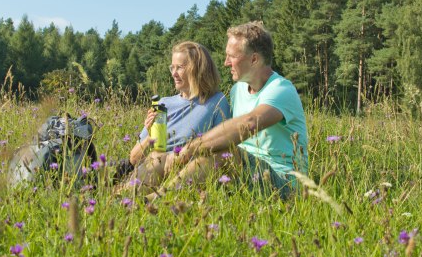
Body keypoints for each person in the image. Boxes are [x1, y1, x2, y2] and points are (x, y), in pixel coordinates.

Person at [168, 22, 308, 198]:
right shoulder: (237, 90)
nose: (226, 63)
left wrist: (191, 148)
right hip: (246, 173)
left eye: (231, 56)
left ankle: (160, 198)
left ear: (254, 59)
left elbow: (248, 123)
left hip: (285, 183)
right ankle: (131, 193)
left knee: (223, 152)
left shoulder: (281, 89)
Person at [120, 41, 231, 190]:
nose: (174, 73)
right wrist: (150, 136)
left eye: (180, 67)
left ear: (198, 69)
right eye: (172, 67)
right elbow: (134, 158)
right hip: (154, 165)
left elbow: (224, 152)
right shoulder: (163, 103)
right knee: (155, 161)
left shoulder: (216, 102)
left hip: (189, 171)